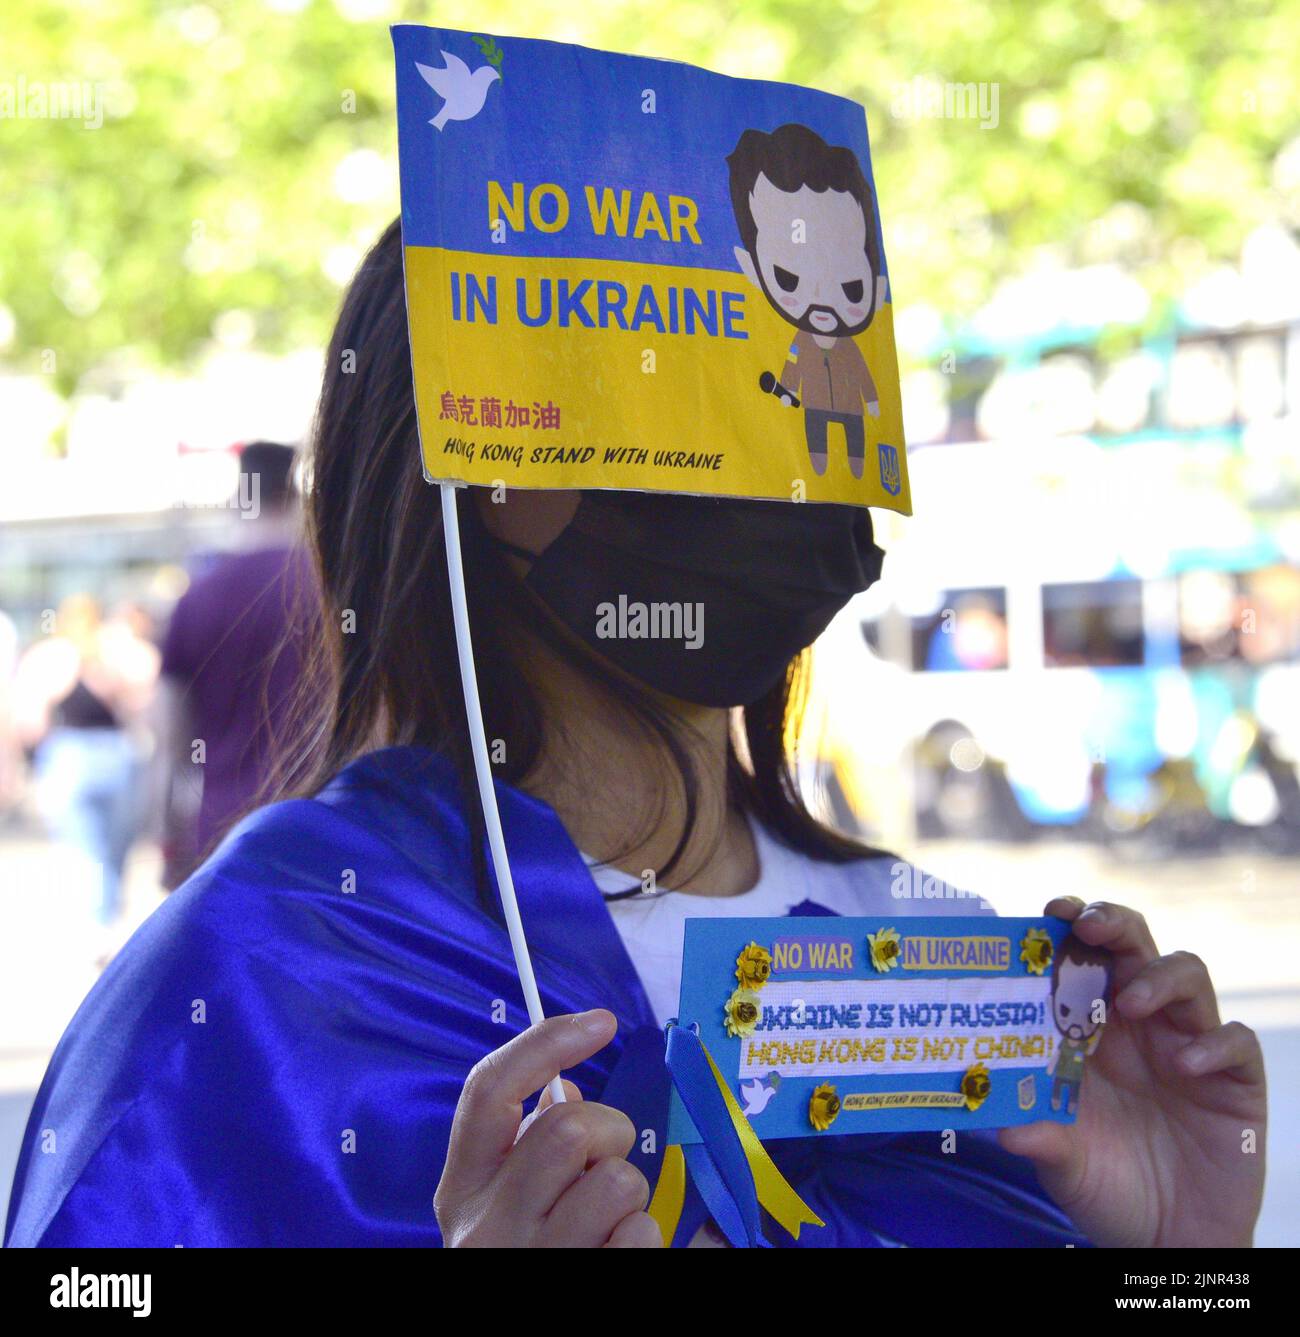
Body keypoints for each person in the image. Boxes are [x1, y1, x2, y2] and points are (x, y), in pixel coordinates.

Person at [5, 222, 1266, 1248]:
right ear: (471, 463)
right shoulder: (268, 970)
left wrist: (1176, 1256)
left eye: (776, 366)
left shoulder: (940, 964)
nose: (752, 433)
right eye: (664, 377)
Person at [155, 442, 315, 887]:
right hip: (322, 829)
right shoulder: (332, 589)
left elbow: (172, 741)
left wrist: (168, 838)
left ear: (238, 498)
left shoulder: (196, 599)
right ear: (296, 496)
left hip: (224, 836)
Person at [10, 595, 158, 925]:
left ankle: (99, 923)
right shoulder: (116, 655)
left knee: (84, 849)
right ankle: (107, 918)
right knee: (115, 849)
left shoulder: (52, 656)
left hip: (71, 757)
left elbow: (32, 722)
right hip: (119, 756)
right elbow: (146, 703)